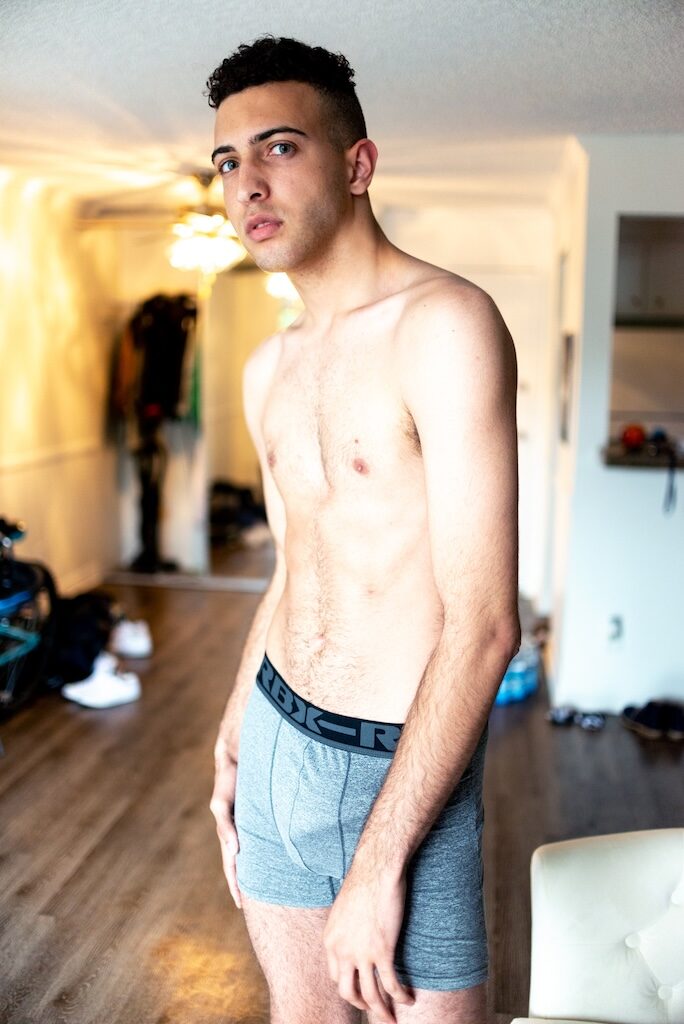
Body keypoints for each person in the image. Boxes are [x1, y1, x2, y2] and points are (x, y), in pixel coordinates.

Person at [206, 35, 520, 1024]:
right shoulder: (271, 367)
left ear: (357, 162)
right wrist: (229, 732)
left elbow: (485, 626)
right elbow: (296, 565)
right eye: (226, 161)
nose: (245, 181)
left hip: (403, 772)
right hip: (273, 740)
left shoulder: (447, 325)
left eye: (279, 147)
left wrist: (380, 865)